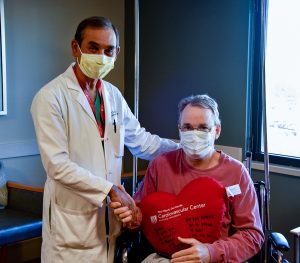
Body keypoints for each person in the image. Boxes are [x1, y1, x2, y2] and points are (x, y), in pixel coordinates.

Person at [31, 16, 178, 263]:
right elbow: (57, 165)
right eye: (93, 48)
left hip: (109, 227)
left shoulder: (112, 95)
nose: (101, 56)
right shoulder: (50, 97)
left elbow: (141, 141)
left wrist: (184, 149)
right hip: (71, 230)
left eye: (108, 50)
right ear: (75, 48)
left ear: (117, 52)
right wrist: (110, 190)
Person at [112, 94, 264, 262]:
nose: (194, 134)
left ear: (217, 130)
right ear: (179, 129)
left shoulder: (236, 172)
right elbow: (141, 217)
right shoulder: (160, 166)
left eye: (203, 128)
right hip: (166, 257)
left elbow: (253, 236)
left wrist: (211, 252)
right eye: (188, 127)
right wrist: (130, 213)